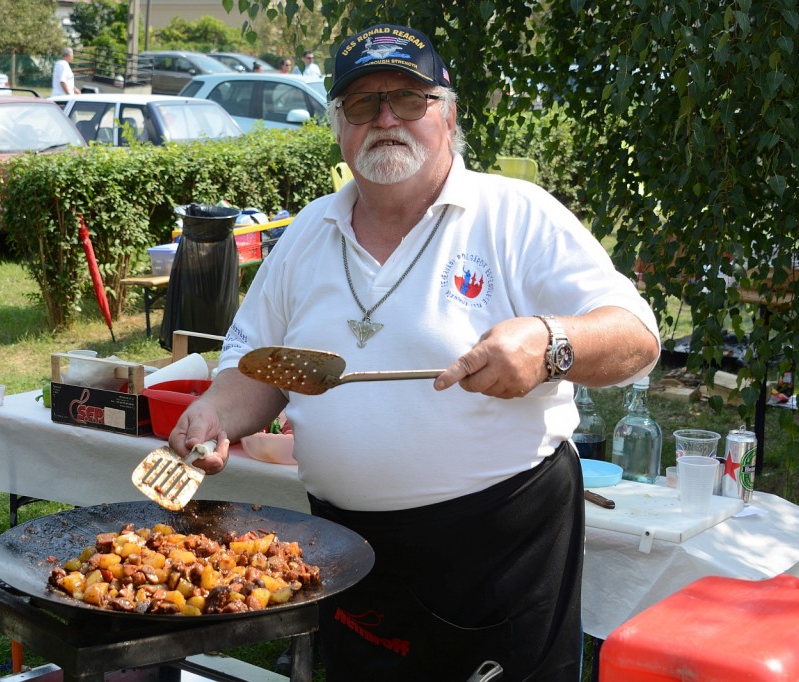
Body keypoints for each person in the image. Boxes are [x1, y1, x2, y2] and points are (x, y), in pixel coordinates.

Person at [169, 22, 660, 682]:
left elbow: (636, 337)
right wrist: (214, 413)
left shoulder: (516, 215)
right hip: (346, 554)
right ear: (339, 125)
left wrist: (550, 345)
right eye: (362, 103)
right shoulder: (309, 231)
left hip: (498, 559)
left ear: (448, 114)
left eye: (407, 98)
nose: (385, 119)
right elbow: (260, 365)